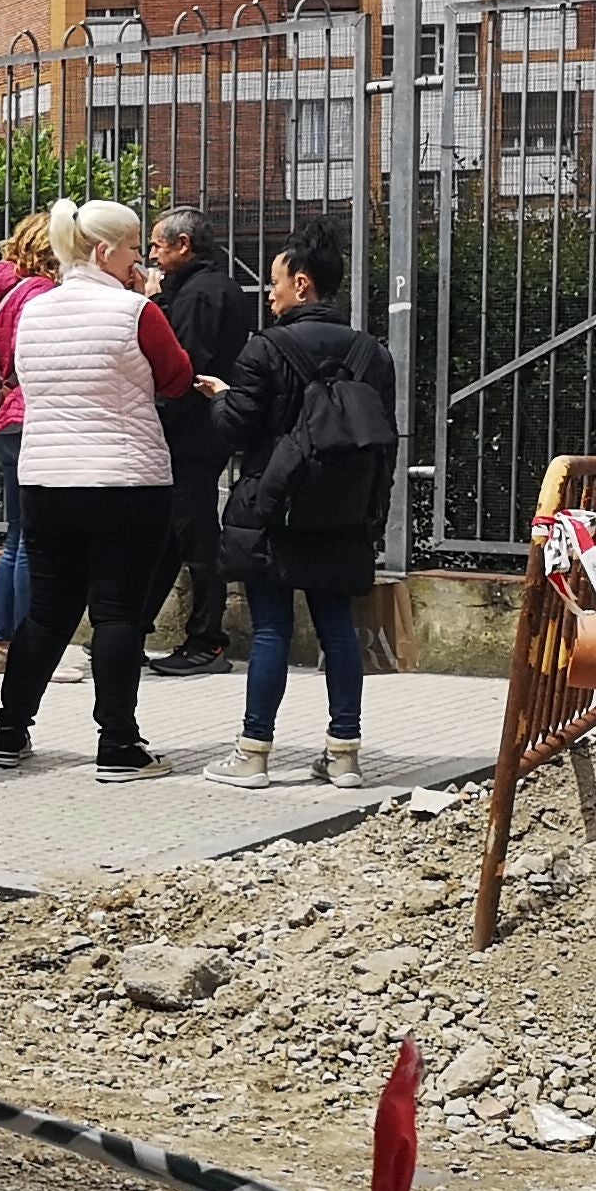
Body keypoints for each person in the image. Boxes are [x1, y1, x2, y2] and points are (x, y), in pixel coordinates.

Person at [0, 200, 199, 781]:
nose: (141, 260)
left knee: (48, 613)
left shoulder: (34, 311)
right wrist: (149, 301)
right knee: (117, 615)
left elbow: (23, 378)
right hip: (125, 480)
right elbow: (177, 377)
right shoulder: (136, 311)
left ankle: (11, 732)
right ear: (106, 251)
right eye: (135, 248)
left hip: (47, 478)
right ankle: (118, 745)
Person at [206, 220, 396, 789]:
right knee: (337, 626)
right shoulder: (373, 353)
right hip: (342, 511)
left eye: (275, 284)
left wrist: (220, 398)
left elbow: (237, 430)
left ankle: (254, 753)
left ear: (303, 285)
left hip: (275, 506)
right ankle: (344, 756)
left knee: (271, 629)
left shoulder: (265, 349)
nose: (269, 294)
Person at [140, 206, 255, 677]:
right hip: (194, 429)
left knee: (194, 534)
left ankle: (207, 640)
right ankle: (133, 624)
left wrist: (157, 415)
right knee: (171, 533)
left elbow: (184, 367)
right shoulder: (198, 290)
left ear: (183, 246)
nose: (150, 255)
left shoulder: (202, 295)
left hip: (192, 432)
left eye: (157, 246)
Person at [0, 212, 66, 682]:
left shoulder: (2, 288)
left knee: (15, 535)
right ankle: (30, 648)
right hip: (30, 415)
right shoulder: (43, 295)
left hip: (2, 417)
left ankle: (2, 643)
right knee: (34, 538)